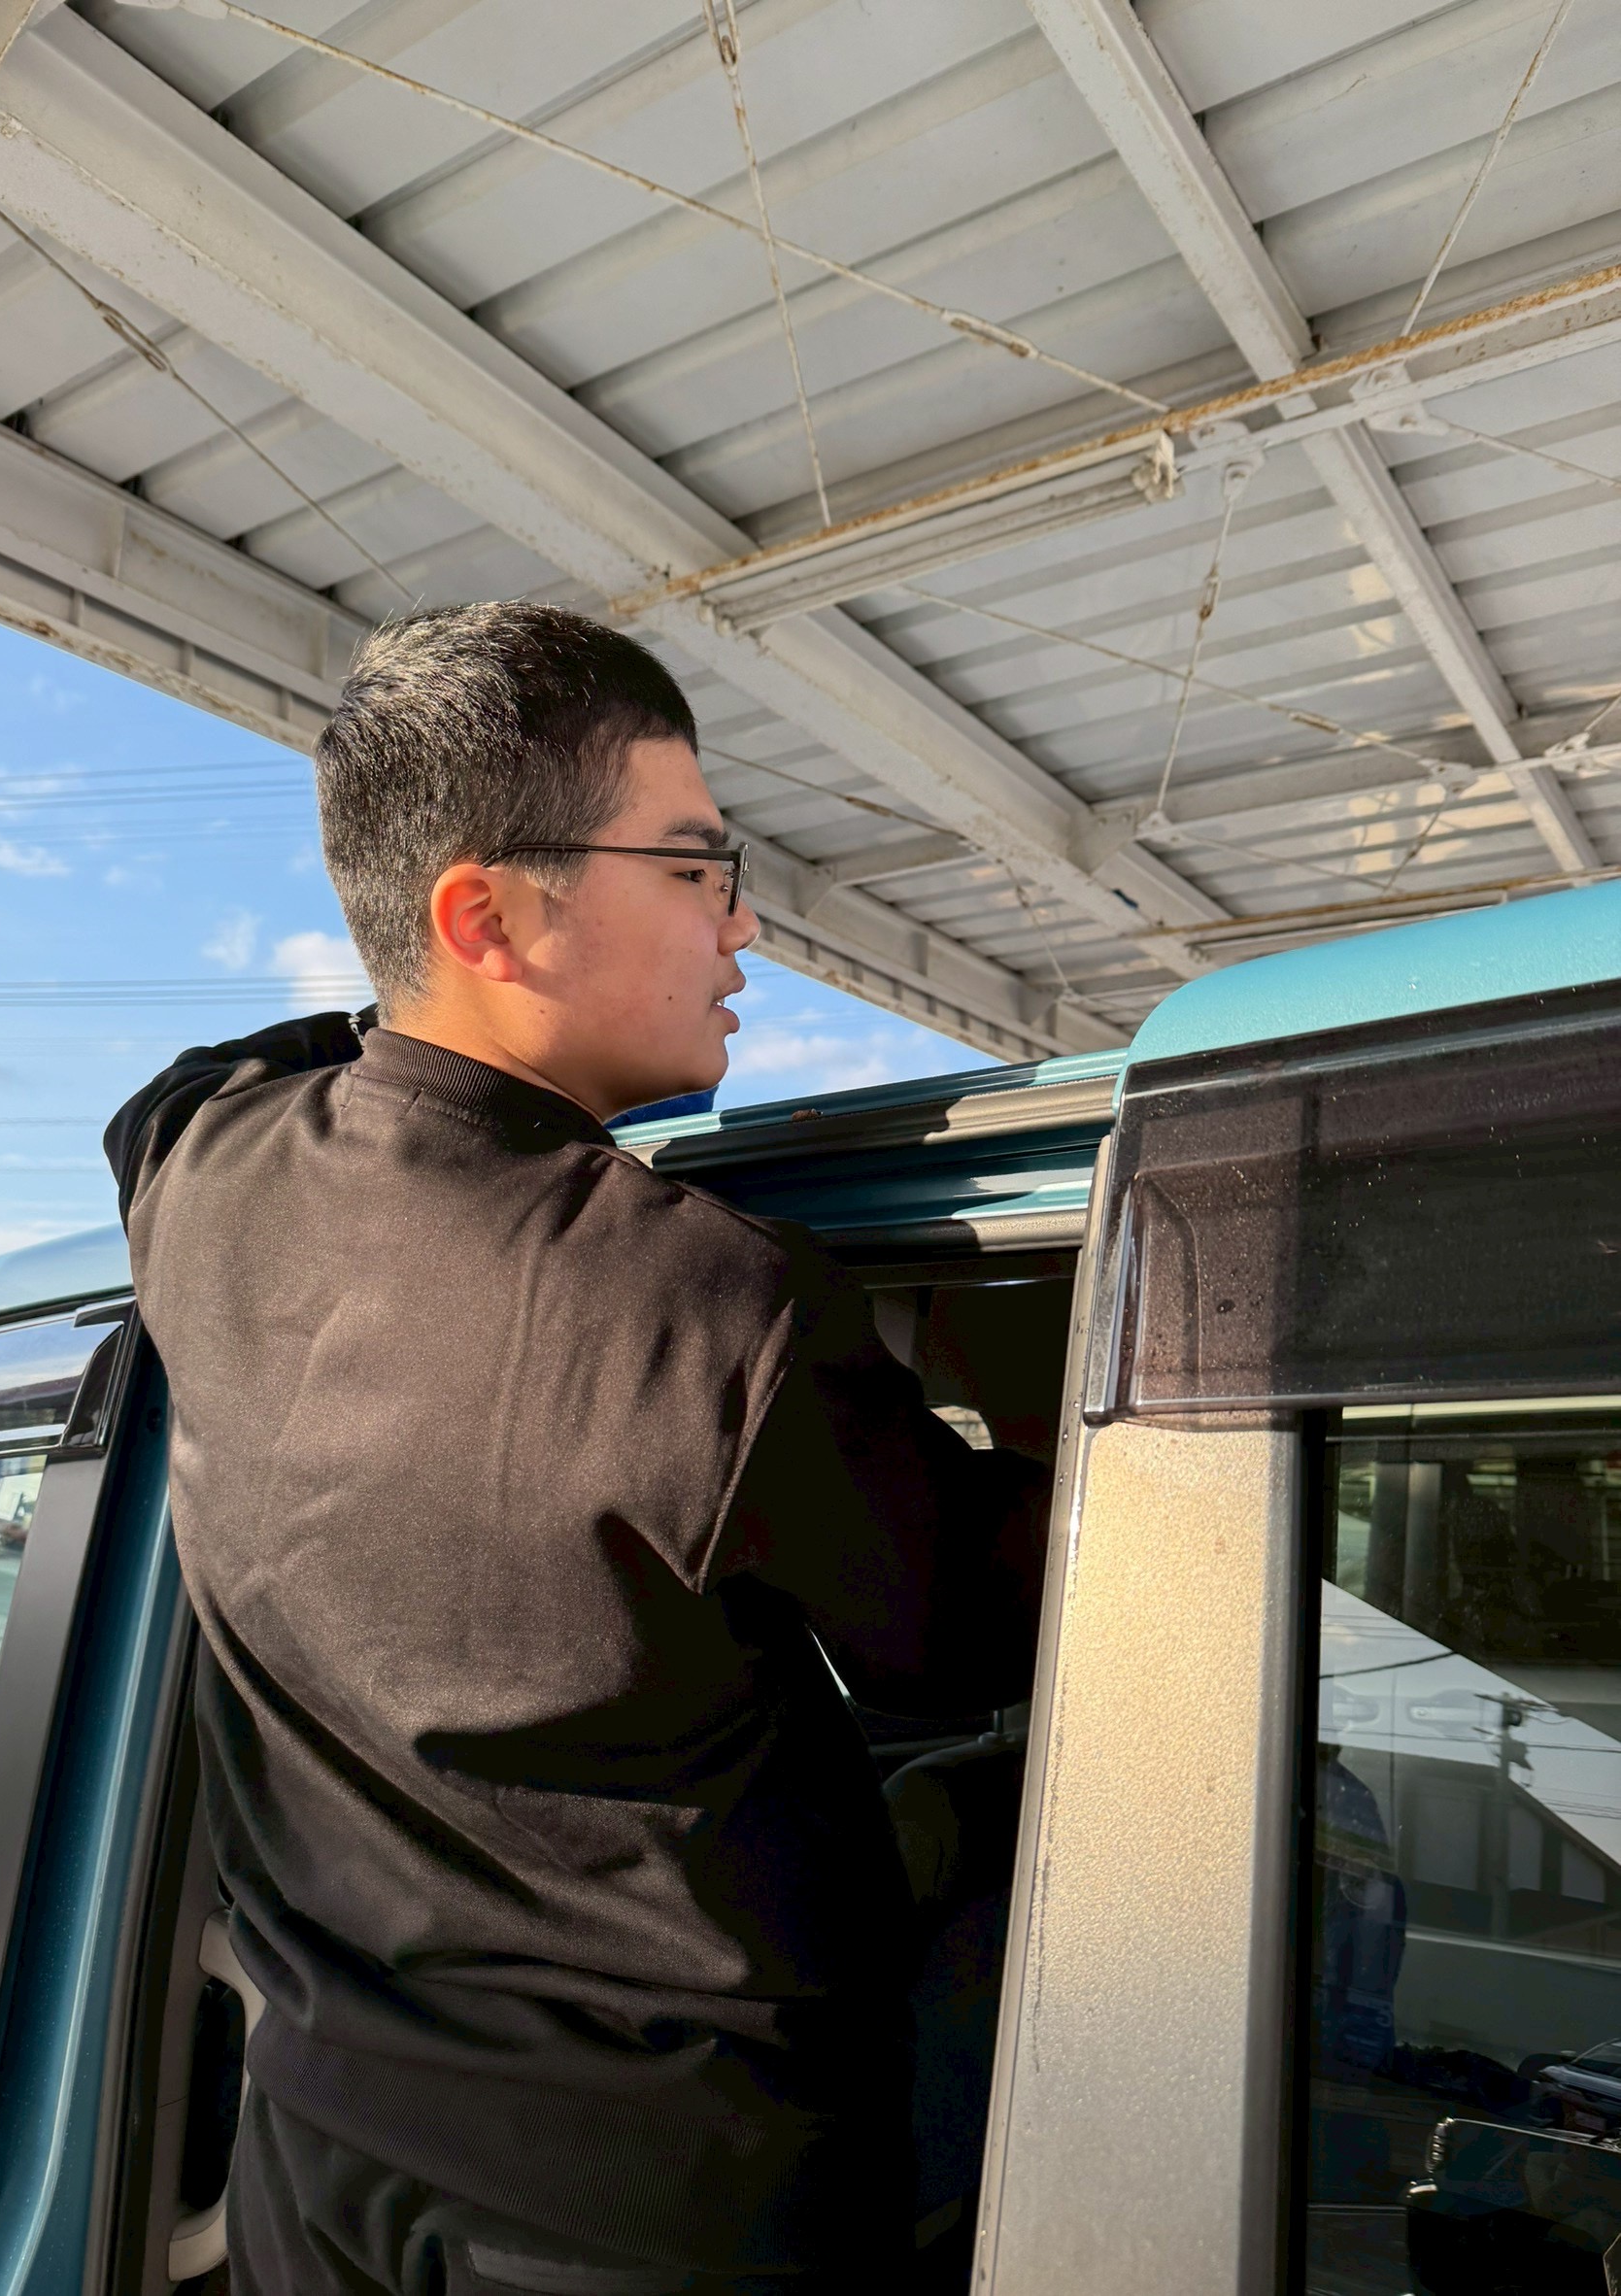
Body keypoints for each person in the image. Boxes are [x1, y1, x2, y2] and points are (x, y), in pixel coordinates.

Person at [106, 603, 1047, 2296]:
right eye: (695, 868)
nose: (742, 925)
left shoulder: (202, 1177)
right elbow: (994, 1636)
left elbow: (180, 1091)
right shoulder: (711, 1306)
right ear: (488, 915)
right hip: (663, 2215)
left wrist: (414, 1008)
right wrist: (1039, 1381)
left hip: (314, 2175)